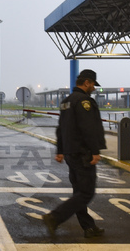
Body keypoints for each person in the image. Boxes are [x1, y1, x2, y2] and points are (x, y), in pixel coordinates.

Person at [43, 69, 107, 239]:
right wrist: (95, 151)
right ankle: (54, 217)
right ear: (86, 82)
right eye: (93, 84)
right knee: (86, 193)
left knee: (79, 192)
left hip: (71, 154)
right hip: (83, 153)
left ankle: (89, 227)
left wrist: (60, 150)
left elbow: (61, 128)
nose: (94, 87)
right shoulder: (84, 102)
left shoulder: (66, 102)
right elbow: (89, 129)